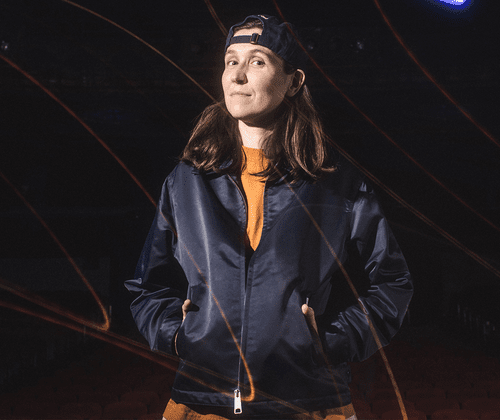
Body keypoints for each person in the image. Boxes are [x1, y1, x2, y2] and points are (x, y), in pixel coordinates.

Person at [125, 14, 413, 420]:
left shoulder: (337, 183)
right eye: (231, 61)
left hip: (312, 403)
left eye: (257, 61)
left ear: (293, 82)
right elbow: (146, 286)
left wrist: (331, 342)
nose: (237, 75)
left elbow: (392, 282)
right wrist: (178, 335)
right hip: (202, 403)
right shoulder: (186, 180)